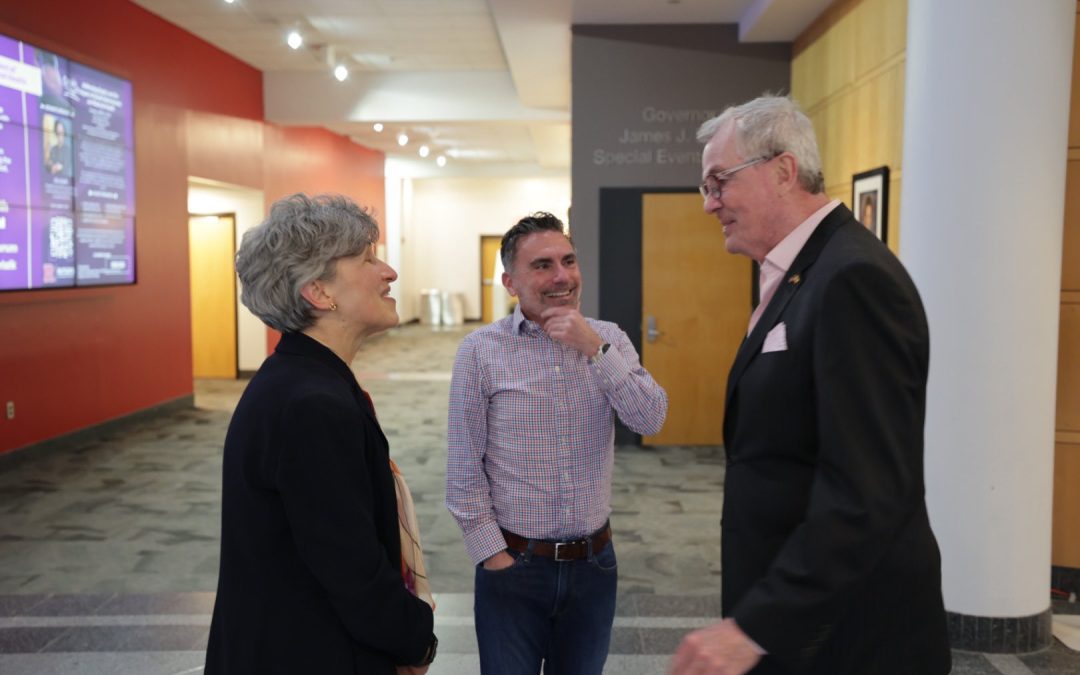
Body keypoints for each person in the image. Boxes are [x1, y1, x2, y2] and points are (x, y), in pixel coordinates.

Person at [669, 96, 950, 675]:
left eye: (719, 182)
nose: (709, 204)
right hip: (807, 624)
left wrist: (755, 627)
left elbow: (864, 492)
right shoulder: (801, 271)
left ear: (783, 170)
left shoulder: (852, 279)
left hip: (849, 636)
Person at [204, 194, 437, 675]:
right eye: (368, 259)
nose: (389, 272)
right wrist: (415, 640)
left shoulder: (301, 381)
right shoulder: (311, 404)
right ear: (318, 292)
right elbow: (350, 567)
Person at [446, 212, 668, 674]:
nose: (562, 276)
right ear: (511, 281)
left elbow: (650, 418)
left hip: (594, 566)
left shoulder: (608, 339)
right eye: (542, 265)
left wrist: (596, 351)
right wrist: (494, 557)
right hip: (514, 565)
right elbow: (464, 469)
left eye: (568, 261)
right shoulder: (480, 351)